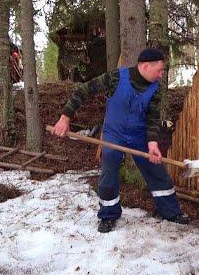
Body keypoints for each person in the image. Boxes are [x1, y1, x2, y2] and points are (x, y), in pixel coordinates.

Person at [52, 48, 189, 233]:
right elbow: (85, 89)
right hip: (114, 134)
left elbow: (153, 118)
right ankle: (109, 215)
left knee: (156, 170)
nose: (162, 74)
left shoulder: (155, 88)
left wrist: (153, 144)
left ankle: (170, 211)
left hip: (139, 135)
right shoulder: (117, 77)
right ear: (146, 66)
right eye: (160, 70)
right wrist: (65, 117)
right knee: (109, 173)